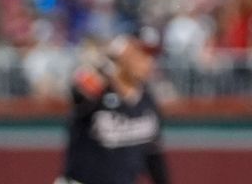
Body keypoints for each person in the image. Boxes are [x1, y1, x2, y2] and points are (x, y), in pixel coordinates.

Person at [56, 33, 170, 184]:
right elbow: (77, 92)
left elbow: (153, 155)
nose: (148, 62)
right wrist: (106, 63)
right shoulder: (98, 90)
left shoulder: (147, 99)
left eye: (151, 56)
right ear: (121, 56)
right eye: (140, 55)